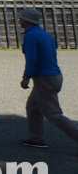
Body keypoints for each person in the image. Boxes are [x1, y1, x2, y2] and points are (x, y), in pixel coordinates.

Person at [18, 8, 78, 149]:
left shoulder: (31, 36)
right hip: (53, 75)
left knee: (54, 114)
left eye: (21, 18)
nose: (19, 20)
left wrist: (26, 77)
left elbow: (32, 59)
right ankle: (36, 138)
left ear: (27, 20)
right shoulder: (45, 34)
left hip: (44, 78)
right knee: (33, 107)